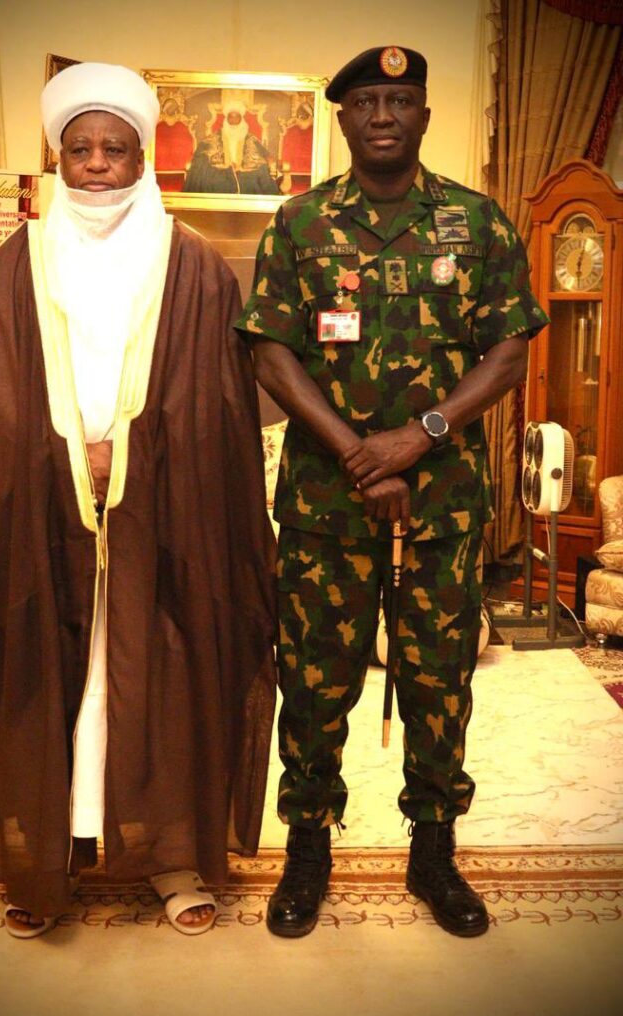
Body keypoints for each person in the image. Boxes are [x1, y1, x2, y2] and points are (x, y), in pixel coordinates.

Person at [0, 62, 277, 940]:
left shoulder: (196, 266)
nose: (100, 163)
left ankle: (172, 856)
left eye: (117, 147)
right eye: (82, 149)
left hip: (169, 518)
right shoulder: (10, 267)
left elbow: (220, 402)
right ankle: (50, 860)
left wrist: (138, 454)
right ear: (59, 158)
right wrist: (70, 455)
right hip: (43, 516)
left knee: (168, 675)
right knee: (46, 681)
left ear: (144, 157)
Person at [236, 45, 548, 939]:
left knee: (439, 683)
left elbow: (508, 354)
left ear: (423, 116)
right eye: (367, 101)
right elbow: (270, 354)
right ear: (342, 118)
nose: (383, 115)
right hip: (324, 507)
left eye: (400, 101)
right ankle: (307, 848)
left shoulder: (477, 223)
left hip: (443, 505)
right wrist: (357, 454)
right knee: (313, 681)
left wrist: (420, 435)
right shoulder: (299, 224)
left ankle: (434, 849)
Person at [184, 98, 280, 195]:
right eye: (231, 117)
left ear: (241, 118)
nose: (233, 120)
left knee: (256, 178)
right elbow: (203, 150)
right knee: (206, 172)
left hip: (246, 172)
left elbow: (263, 152)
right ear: (227, 118)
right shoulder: (214, 137)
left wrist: (268, 157)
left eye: (236, 117)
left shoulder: (250, 138)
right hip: (220, 171)